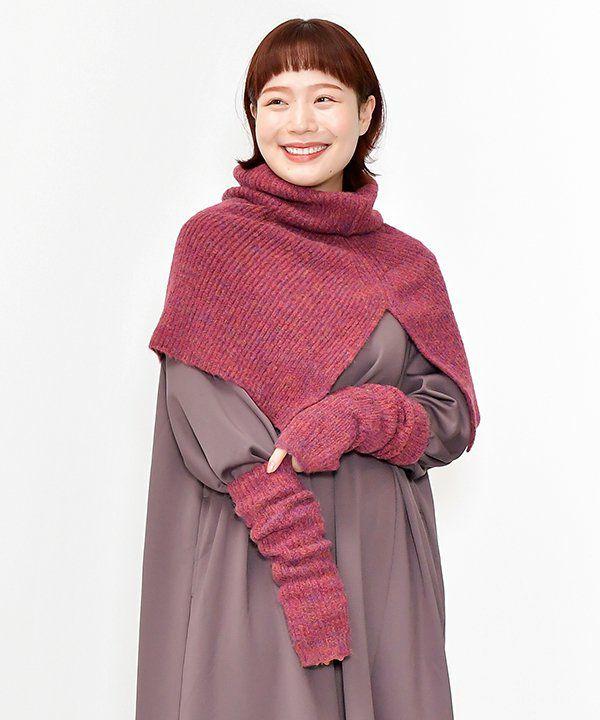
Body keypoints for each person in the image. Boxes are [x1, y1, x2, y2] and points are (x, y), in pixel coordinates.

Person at [135, 17, 480, 720]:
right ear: (253, 115)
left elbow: (449, 417)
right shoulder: (213, 246)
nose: (300, 122)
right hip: (261, 559)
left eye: (324, 98)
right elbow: (209, 420)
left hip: (384, 562)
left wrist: (360, 415)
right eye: (277, 100)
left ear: (365, 113)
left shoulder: (406, 264)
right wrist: (303, 568)